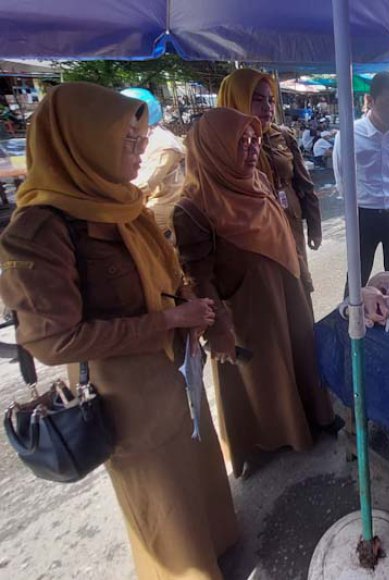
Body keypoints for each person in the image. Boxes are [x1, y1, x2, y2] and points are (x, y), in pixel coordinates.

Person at [0, 82, 238, 579]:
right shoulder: (41, 228)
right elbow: (51, 340)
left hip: (173, 364)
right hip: (125, 389)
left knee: (194, 460)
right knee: (160, 489)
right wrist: (168, 321)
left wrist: (190, 305)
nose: (140, 153)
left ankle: (215, 546)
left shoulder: (121, 202)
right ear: (81, 145)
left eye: (140, 139)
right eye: (127, 143)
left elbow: (166, 271)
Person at [173, 108, 337, 480]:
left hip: (285, 289)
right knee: (262, 374)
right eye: (239, 143)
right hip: (245, 304)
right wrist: (218, 328)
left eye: (253, 141)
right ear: (213, 149)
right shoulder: (192, 207)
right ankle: (269, 442)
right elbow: (198, 276)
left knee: (298, 355)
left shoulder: (258, 179)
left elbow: (280, 224)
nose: (250, 150)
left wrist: (299, 267)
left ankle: (311, 419)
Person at [218, 69, 322, 311]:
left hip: (289, 224)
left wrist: (314, 226)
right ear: (236, 99)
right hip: (253, 234)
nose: (267, 107)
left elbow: (304, 183)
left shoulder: (282, 136)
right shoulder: (219, 145)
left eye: (271, 100)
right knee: (268, 303)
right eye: (257, 99)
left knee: (298, 289)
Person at [333, 72, 389, 286]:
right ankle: (351, 319)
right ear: (370, 101)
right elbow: (341, 178)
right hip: (363, 215)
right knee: (357, 278)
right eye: (388, 104)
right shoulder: (349, 134)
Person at [121, 88, 186, 244]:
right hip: (142, 206)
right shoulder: (142, 138)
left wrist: (112, 192)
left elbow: (146, 183)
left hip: (161, 212)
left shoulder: (164, 145)